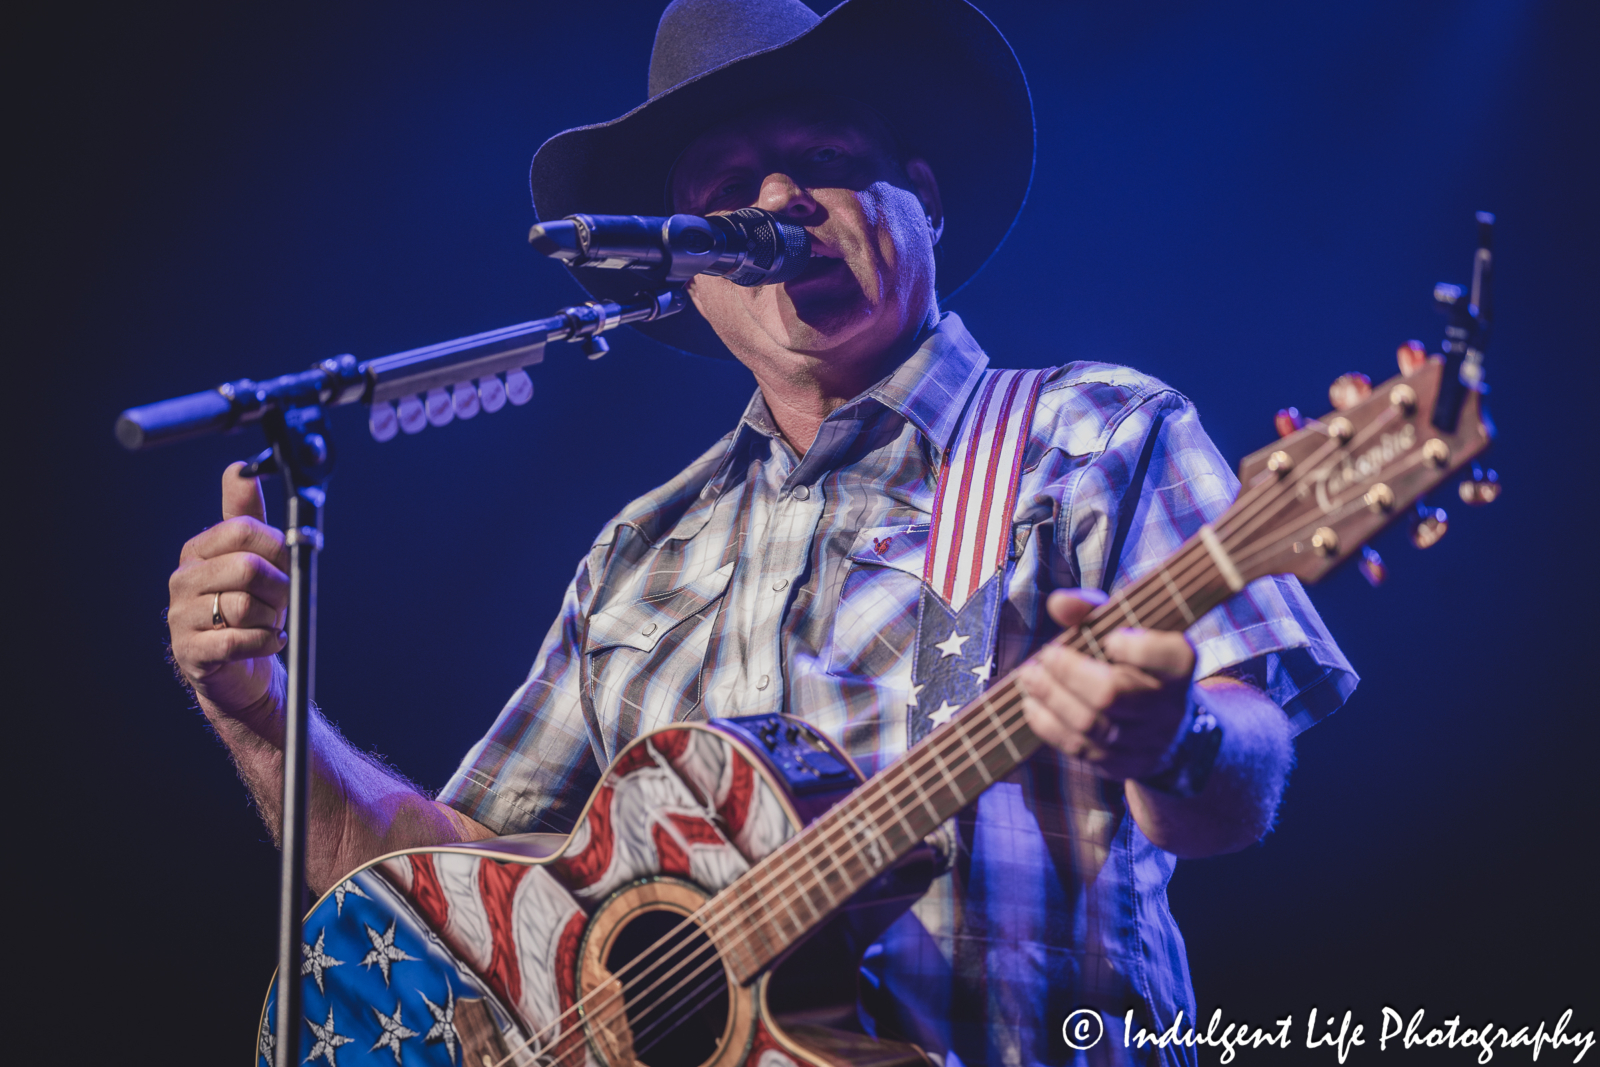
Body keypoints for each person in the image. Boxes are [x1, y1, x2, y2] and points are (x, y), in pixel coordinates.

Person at [165, 0, 1356, 1063]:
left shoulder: (1094, 433)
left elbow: (1239, 779)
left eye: (821, 161)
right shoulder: (640, 549)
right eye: (724, 191)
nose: (776, 203)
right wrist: (264, 712)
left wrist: (1177, 734)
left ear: (924, 201)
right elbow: (448, 895)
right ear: (685, 269)